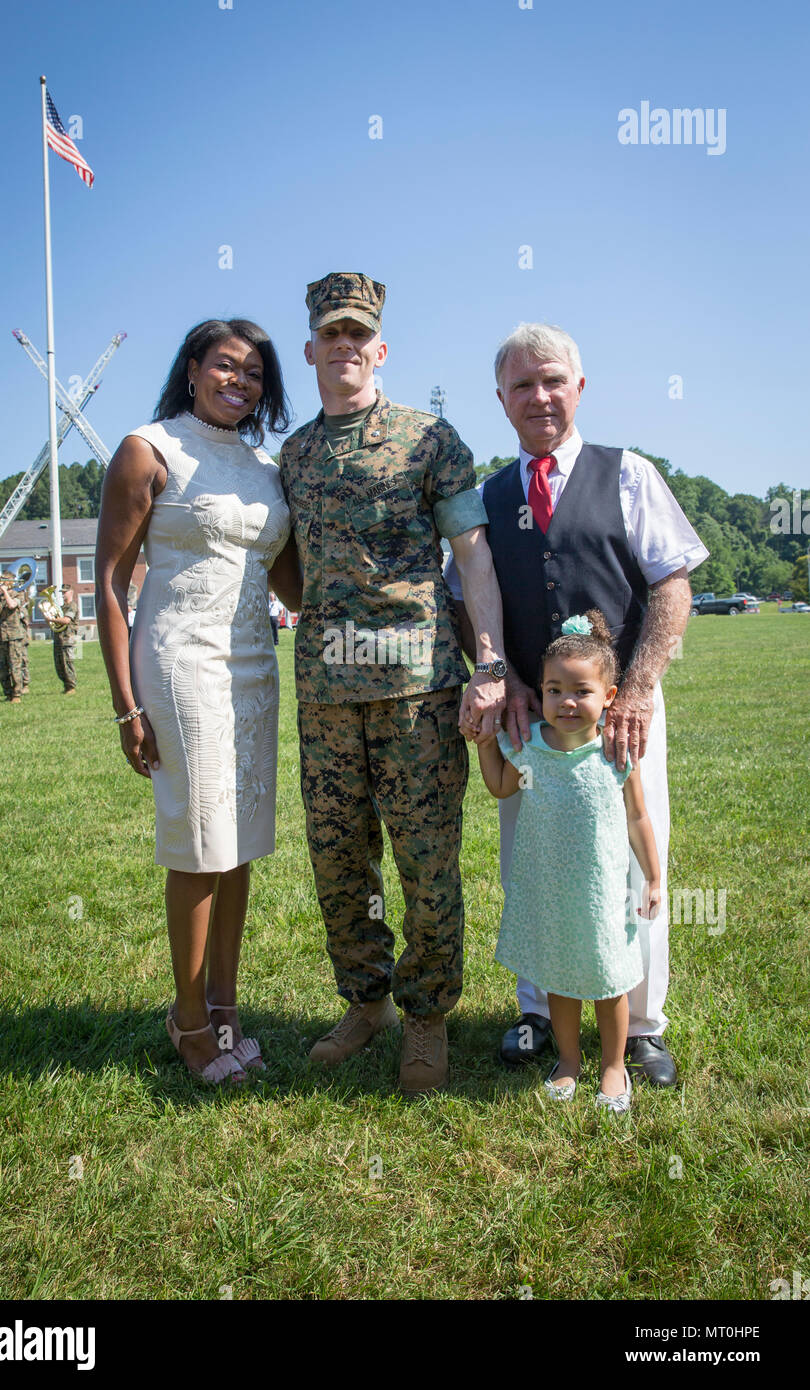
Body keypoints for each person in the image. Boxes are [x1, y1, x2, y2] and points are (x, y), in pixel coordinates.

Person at [446, 322, 708, 1087]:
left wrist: (642, 685)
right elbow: (463, 600)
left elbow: (672, 584)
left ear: (580, 387)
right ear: (501, 400)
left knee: (628, 862)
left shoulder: (628, 474)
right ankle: (536, 1012)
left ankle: (644, 1023)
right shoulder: (487, 497)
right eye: (522, 385)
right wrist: (503, 677)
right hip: (533, 722)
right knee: (534, 864)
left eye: (552, 380)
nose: (539, 396)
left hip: (620, 718)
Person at [279, 272, 508, 1095]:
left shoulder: (429, 440)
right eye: (330, 334)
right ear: (311, 350)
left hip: (418, 687)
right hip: (327, 694)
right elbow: (287, 562)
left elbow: (473, 556)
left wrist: (489, 664)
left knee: (424, 860)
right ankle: (366, 1000)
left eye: (357, 335)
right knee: (338, 861)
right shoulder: (296, 456)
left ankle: (428, 1015)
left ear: (380, 348)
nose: (344, 346)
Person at [96, 318, 302, 1086]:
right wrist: (125, 704)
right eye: (224, 366)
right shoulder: (148, 449)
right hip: (180, 664)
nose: (237, 382)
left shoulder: (263, 465)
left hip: (254, 664)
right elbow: (112, 583)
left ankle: (225, 1009)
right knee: (201, 839)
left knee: (241, 840)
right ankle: (187, 1021)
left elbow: (288, 580)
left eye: (252, 374)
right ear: (191, 369)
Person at [478, 611, 661, 1113]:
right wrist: (484, 740)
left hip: (602, 895)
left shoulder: (615, 754)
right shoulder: (532, 748)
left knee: (608, 980)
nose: (566, 702)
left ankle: (614, 1065)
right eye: (554, 690)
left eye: (581, 691)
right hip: (549, 892)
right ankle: (568, 1061)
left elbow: (639, 818)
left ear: (609, 697)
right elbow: (498, 786)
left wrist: (654, 876)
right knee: (559, 980)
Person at [0, 579, 26, 703]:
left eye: (3, 583)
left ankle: (16, 694)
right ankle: (7, 693)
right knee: (1, 668)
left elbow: (12, 605)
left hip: (13, 636)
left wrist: (6, 592)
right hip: (0, 636)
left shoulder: (18, 595)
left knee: (15, 666)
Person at [53, 583, 79, 694]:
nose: (63, 594)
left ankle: (71, 686)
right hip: (60, 637)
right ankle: (66, 685)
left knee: (67, 662)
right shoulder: (61, 607)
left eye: (65, 592)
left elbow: (66, 620)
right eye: (62, 592)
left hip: (69, 638)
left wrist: (52, 619)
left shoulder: (72, 605)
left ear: (71, 592)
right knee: (59, 663)